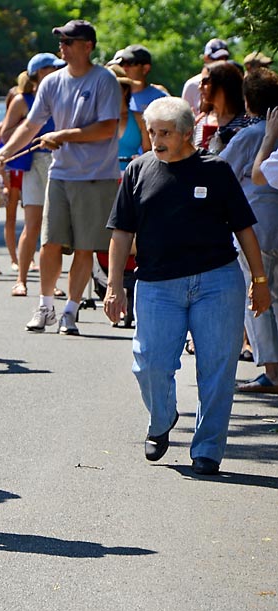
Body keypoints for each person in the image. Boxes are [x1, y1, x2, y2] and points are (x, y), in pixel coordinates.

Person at [104, 96, 270, 476]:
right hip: (157, 285)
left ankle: (208, 448)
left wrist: (258, 280)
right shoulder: (137, 170)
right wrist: (114, 285)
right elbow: (120, 232)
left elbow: (244, 228)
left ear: (185, 134)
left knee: (217, 368)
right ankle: (162, 419)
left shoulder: (216, 170)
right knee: (149, 363)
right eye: (151, 132)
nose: (156, 140)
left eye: (164, 133)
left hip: (216, 282)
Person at [0, 20, 121, 336]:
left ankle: (70, 312)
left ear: (87, 46)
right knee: (49, 242)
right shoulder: (51, 82)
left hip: (96, 176)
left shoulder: (105, 80)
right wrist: (3, 153)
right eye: (61, 41)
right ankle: (45, 306)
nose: (62, 46)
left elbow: (107, 128)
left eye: (69, 41)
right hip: (60, 174)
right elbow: (30, 125)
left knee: (85, 247)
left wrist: (64, 135)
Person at [222, 69, 278, 393]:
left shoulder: (248, 135)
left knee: (257, 295)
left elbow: (221, 171)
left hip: (257, 226)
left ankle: (271, 370)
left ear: (247, 101)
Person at [1, 53, 65, 298]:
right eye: (53, 68)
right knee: (33, 224)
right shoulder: (22, 100)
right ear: (39, 72)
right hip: (35, 163)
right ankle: (21, 280)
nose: (58, 72)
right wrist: (32, 130)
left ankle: (51, 283)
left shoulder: (62, 96)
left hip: (59, 161)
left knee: (54, 228)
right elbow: (6, 134)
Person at [193, 61, 249, 153]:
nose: (200, 87)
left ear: (222, 84)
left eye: (205, 82)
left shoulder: (245, 121)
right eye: (200, 82)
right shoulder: (201, 121)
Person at [109, 45, 167, 112]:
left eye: (129, 63)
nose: (124, 68)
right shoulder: (112, 95)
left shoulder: (159, 98)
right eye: (121, 64)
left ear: (145, 68)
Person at [182, 38, 230, 113]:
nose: (221, 62)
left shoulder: (232, 84)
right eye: (216, 58)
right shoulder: (192, 85)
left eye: (224, 58)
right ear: (206, 58)